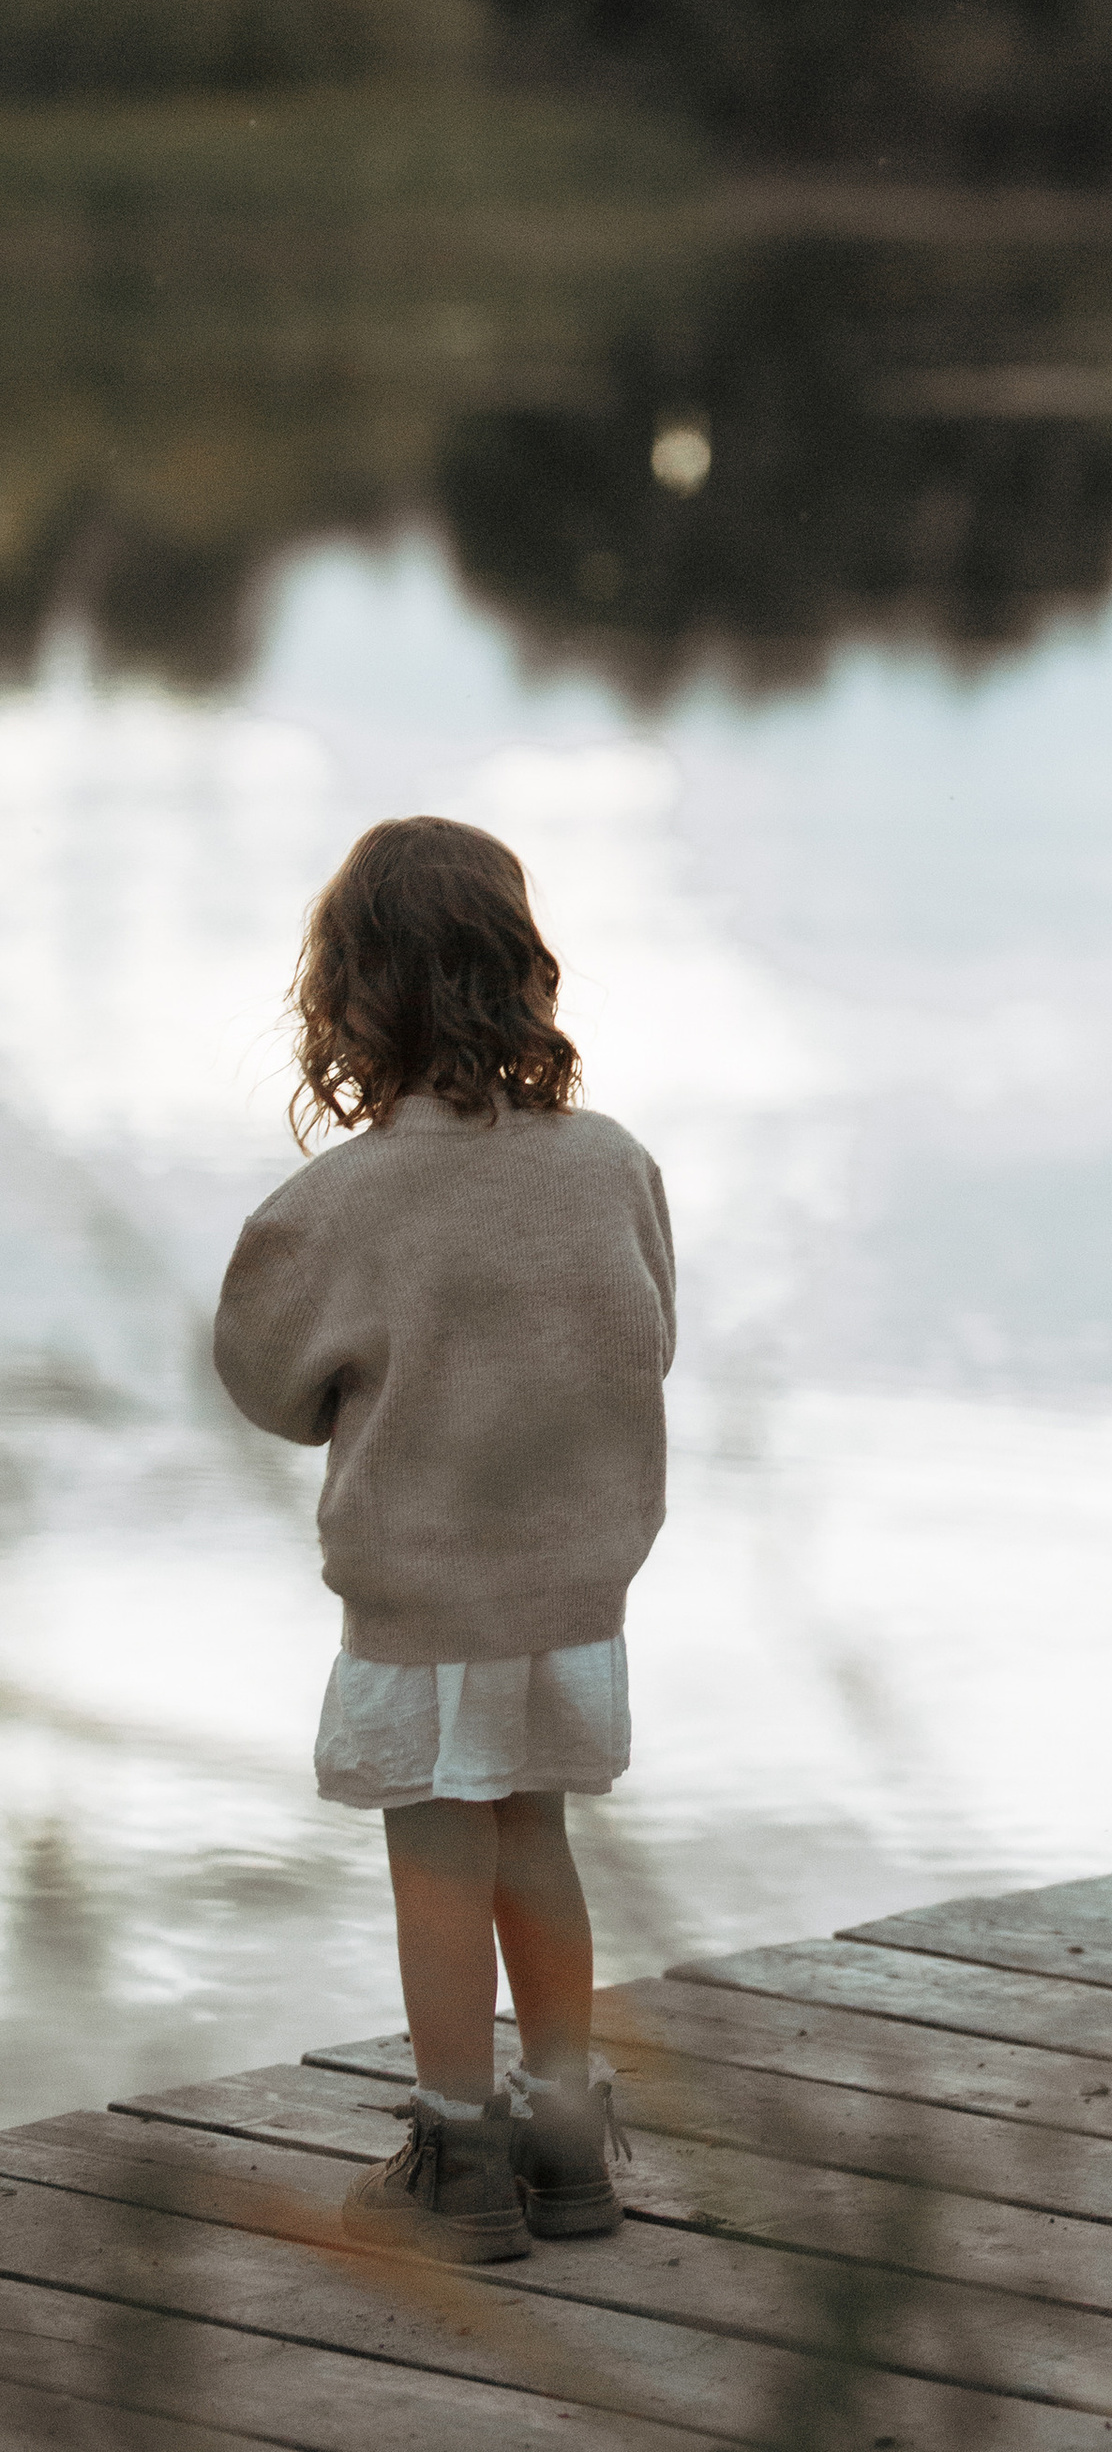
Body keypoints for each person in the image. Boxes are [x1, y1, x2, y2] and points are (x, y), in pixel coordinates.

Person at [214, 816, 676, 2267]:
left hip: (424, 1599)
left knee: (435, 1851)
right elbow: (647, 1341)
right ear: (518, 977)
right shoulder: (613, 1166)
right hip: (573, 1594)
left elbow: (265, 1380)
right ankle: (564, 2145)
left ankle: (459, 2160)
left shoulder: (334, 1207)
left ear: (351, 999)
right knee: (534, 1834)